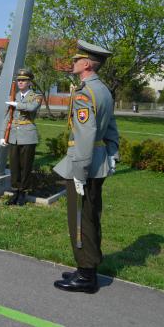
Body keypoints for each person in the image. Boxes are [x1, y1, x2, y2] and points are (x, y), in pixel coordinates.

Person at [53, 40, 119, 294]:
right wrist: (112, 154)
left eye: (76, 59)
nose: (72, 63)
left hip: (85, 164)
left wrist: (79, 173)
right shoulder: (102, 90)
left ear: (87, 64)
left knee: (81, 219)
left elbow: (84, 135)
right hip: (98, 161)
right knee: (91, 216)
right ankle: (87, 267)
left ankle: (86, 275)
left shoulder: (84, 93)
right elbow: (111, 126)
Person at [0, 68, 42, 206]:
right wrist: (2, 136)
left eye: (23, 80)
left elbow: (31, 108)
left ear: (29, 82)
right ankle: (15, 192)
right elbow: (7, 117)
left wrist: (17, 104)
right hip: (13, 136)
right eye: (18, 80)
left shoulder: (36, 96)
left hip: (28, 135)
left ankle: (23, 192)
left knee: (26, 166)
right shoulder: (13, 96)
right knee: (14, 166)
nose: (20, 82)